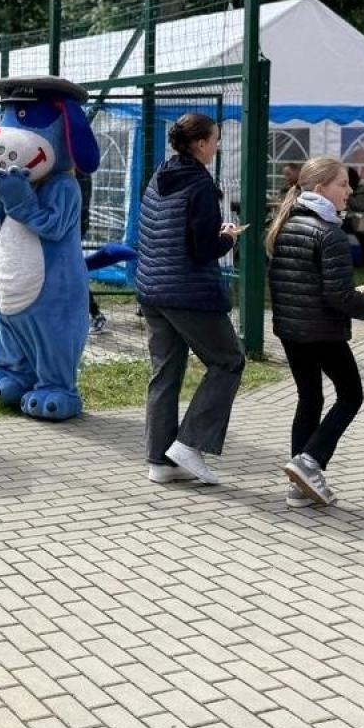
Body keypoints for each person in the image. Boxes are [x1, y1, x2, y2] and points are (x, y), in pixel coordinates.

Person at [266, 157, 364, 507]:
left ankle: (298, 485)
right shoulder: (328, 232)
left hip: (291, 330)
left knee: (310, 398)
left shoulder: (287, 222)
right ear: (320, 189)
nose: (349, 191)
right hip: (321, 331)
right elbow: (338, 295)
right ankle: (309, 461)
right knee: (351, 395)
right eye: (342, 184)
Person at [135, 114, 247, 486]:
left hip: (152, 289)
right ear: (200, 144)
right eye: (215, 139)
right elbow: (202, 249)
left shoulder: (160, 175)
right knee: (229, 360)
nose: (218, 145)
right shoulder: (200, 184)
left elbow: (165, 231)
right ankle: (189, 443)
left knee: (165, 373)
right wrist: (228, 237)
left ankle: (160, 461)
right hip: (187, 292)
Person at [77, 169, 106, 334]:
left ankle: (95, 313)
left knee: (72, 271)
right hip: (74, 225)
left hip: (73, 227)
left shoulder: (78, 172)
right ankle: (94, 313)